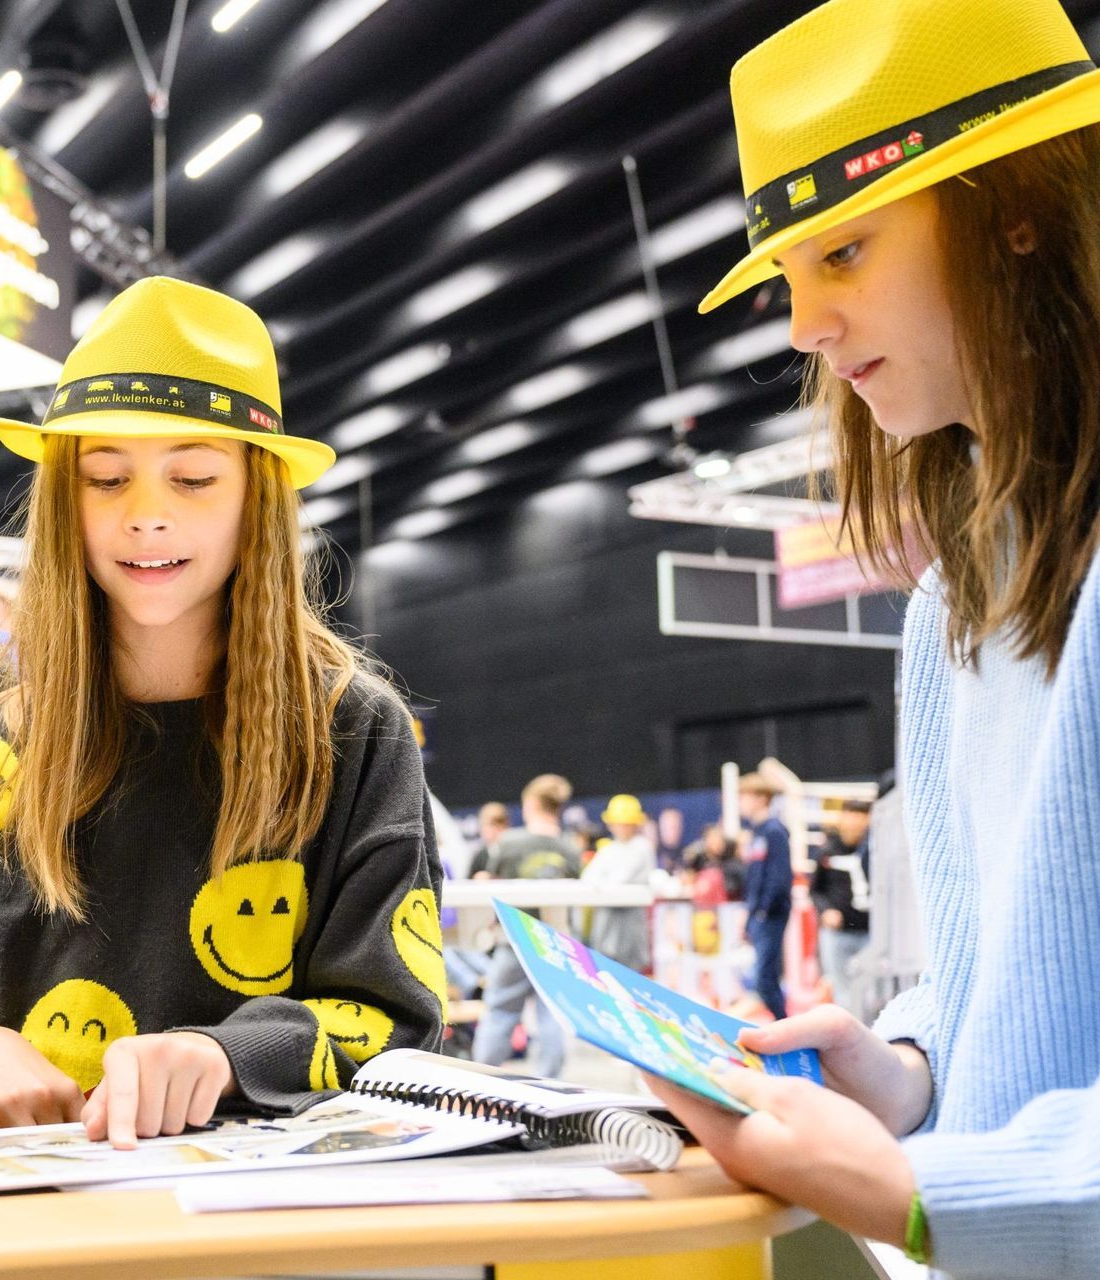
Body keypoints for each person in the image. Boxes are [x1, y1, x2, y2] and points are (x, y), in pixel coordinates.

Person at [647, 0, 1100, 1271]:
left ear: (1013, 210)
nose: (800, 323)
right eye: (788, 273)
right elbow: (1013, 986)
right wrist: (907, 1071)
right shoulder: (955, 603)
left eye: (842, 252)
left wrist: (924, 1181)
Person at [0, 277, 443, 1145]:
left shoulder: (351, 732)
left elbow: (398, 1020)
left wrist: (228, 1056)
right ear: (63, 503)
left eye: (192, 477)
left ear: (256, 499)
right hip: (35, 1223)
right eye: (107, 478)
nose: (147, 515)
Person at [473, 775, 578, 1078]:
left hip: (513, 940)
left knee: (500, 1013)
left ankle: (480, 1081)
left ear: (531, 804)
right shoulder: (569, 848)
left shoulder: (509, 843)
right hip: (554, 943)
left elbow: (488, 883)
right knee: (552, 1016)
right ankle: (551, 1085)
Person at [737, 774, 793, 1021]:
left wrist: (762, 911)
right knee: (764, 978)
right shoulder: (758, 833)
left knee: (765, 978)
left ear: (761, 799)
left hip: (769, 915)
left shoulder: (773, 832)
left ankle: (785, 1025)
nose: (740, 802)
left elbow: (778, 877)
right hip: (760, 915)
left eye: (744, 796)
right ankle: (783, 1024)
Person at [809, 800, 872, 1013]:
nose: (855, 821)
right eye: (851, 815)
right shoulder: (828, 850)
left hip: (871, 932)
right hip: (838, 933)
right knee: (842, 992)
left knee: (872, 992)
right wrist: (826, 910)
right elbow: (816, 889)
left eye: (860, 815)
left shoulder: (876, 849)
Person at [580, 794, 653, 972]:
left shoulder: (642, 847)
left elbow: (619, 880)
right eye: (618, 822)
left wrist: (602, 886)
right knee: (603, 971)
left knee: (631, 974)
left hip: (630, 921)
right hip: (605, 920)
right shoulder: (608, 850)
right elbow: (588, 878)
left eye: (626, 823)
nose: (621, 827)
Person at [467, 801, 510, 879]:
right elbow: (466, 883)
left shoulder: (514, 852)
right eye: (488, 825)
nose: (494, 830)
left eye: (498, 824)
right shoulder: (480, 856)